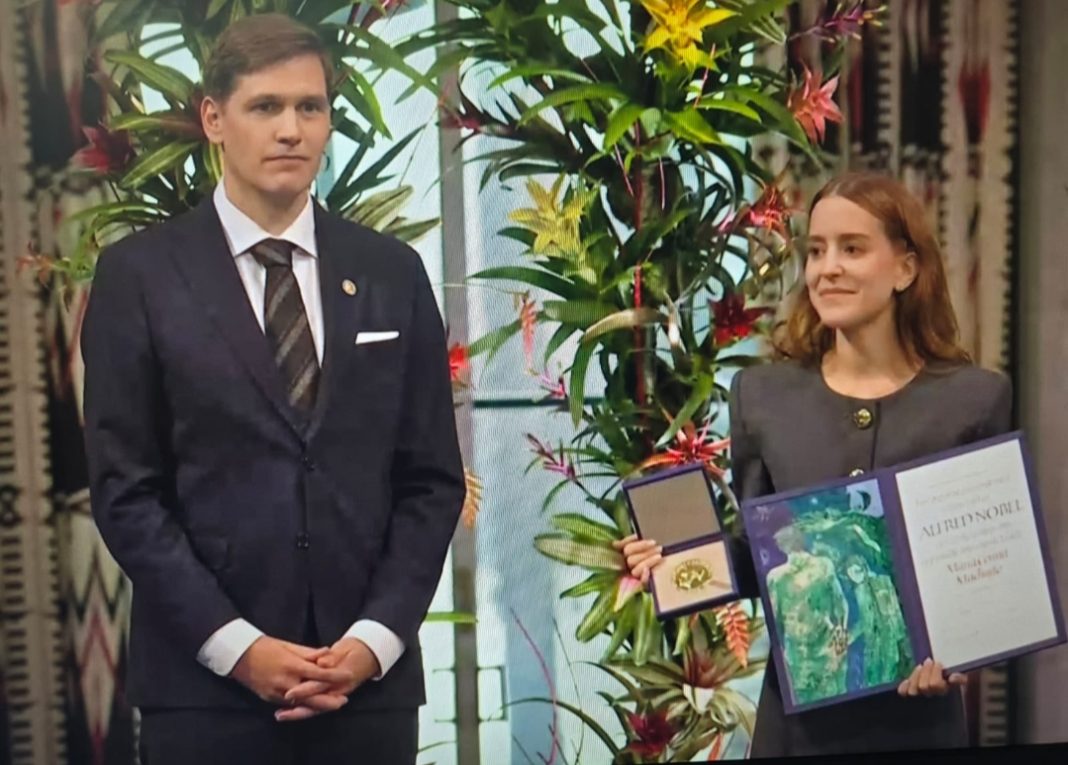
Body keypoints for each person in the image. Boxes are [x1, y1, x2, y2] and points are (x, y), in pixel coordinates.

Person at [80, 14, 464, 765]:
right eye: (265, 107)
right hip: (205, 698)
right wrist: (238, 648)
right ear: (213, 119)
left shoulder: (391, 271)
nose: (291, 129)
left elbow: (431, 481)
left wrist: (374, 641)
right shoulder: (139, 277)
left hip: (367, 694)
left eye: (309, 107)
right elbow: (126, 491)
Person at [616, 171, 1011, 756]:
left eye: (852, 249)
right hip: (795, 732)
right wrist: (674, 563)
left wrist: (961, 655)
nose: (828, 268)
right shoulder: (761, 396)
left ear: (906, 269)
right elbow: (758, 554)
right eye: (817, 250)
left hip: (919, 724)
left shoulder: (973, 399)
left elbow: (989, 565)